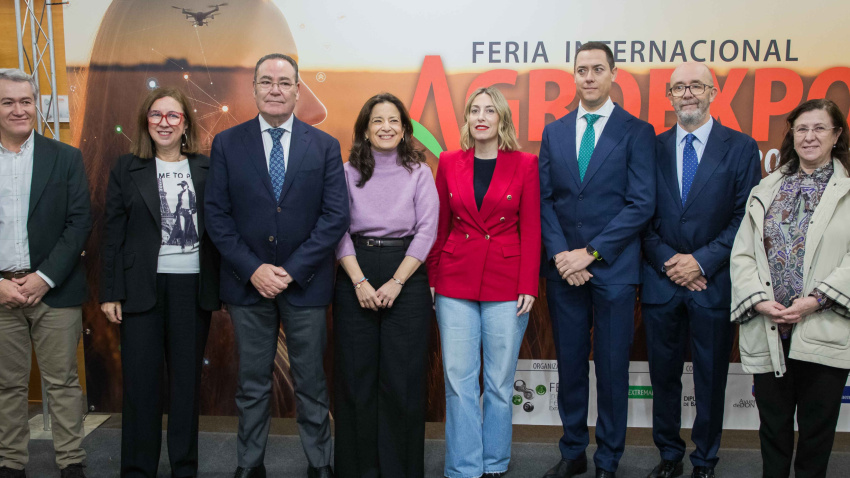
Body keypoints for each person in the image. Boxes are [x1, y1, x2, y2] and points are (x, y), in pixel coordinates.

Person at [205, 53, 349, 478]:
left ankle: (319, 462)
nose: (275, 89)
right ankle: (249, 464)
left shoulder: (323, 145)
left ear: (297, 90)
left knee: (310, 382)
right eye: (266, 81)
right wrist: (253, 269)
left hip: (305, 284)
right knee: (252, 385)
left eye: (284, 83)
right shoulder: (228, 144)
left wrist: (291, 269)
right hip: (248, 285)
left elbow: (334, 216)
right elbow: (216, 215)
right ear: (253, 89)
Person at [538, 42, 656, 478]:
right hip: (564, 273)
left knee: (610, 370)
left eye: (597, 69)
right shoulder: (554, 131)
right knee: (569, 365)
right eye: (581, 70)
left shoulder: (636, 131)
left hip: (614, 270)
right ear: (574, 76)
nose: (588, 77)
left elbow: (641, 204)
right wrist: (561, 256)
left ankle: (608, 458)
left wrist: (590, 253)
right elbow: (546, 201)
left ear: (613, 74)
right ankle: (572, 452)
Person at [640, 63, 761, 478]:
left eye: (695, 86)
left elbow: (745, 216)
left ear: (712, 92)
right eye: (678, 88)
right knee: (664, 378)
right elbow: (640, 213)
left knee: (711, 380)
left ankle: (705, 459)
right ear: (669, 97)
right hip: (662, 281)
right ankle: (669, 455)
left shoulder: (741, 147)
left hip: (713, 282)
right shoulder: (650, 147)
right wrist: (671, 263)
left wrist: (701, 261)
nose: (686, 94)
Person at [99, 86, 221, 477]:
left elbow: (222, 229)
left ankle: (184, 468)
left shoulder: (207, 168)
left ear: (185, 123)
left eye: (173, 115)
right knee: (141, 388)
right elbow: (112, 234)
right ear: (145, 122)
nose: (164, 123)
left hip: (192, 290)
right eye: (156, 115)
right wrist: (110, 292)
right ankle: (137, 469)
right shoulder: (125, 168)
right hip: (140, 290)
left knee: (186, 388)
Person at [730, 98, 850, 478]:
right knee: (774, 431)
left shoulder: (847, 191)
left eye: (819, 128)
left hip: (823, 326)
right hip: (771, 328)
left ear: (836, 135)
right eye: (801, 129)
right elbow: (742, 255)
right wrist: (760, 301)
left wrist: (816, 300)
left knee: (817, 435)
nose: (809, 136)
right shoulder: (765, 188)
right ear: (792, 135)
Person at [427, 86, 540, 478]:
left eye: (489, 110)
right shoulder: (448, 161)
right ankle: (463, 466)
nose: (480, 116)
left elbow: (532, 228)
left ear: (502, 119)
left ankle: (494, 462)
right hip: (454, 282)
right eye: (474, 110)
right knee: (458, 380)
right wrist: (433, 278)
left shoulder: (525, 163)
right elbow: (439, 226)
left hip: (508, 284)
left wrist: (529, 284)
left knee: (497, 382)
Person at [333, 93, 438, 478]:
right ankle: (358, 469)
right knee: (356, 379)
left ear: (405, 128)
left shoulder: (420, 173)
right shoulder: (346, 172)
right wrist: (358, 279)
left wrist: (396, 281)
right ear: (364, 129)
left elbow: (427, 231)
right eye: (377, 121)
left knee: (403, 379)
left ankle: (400, 469)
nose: (386, 128)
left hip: (406, 275)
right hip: (355, 270)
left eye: (394, 120)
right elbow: (337, 228)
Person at [0, 68, 91, 478]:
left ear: (37, 104)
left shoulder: (66, 157)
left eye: (26, 101)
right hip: (1, 292)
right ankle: (12, 464)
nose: (19, 109)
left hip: (54, 290)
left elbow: (79, 223)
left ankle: (71, 463)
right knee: (7, 387)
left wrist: (44, 277)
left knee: (64, 385)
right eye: (7, 102)